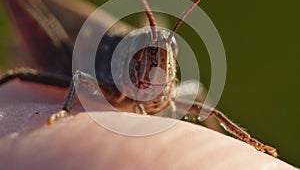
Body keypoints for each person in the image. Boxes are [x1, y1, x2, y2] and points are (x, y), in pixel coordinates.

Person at [0, 81, 296, 169]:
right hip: (59, 53)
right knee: (22, 75)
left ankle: (252, 144)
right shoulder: (108, 84)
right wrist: (65, 111)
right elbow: (79, 77)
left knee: (204, 101)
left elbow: (212, 112)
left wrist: (249, 143)